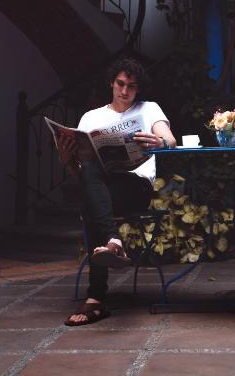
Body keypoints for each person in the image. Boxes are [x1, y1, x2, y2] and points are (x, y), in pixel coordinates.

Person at [58, 57, 176, 326]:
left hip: (135, 187)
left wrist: (160, 142)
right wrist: (66, 161)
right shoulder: (91, 117)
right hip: (102, 188)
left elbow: (169, 138)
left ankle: (96, 298)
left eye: (131, 86)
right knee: (90, 177)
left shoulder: (148, 109)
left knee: (91, 203)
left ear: (138, 88)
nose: (125, 91)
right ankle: (113, 242)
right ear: (111, 83)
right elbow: (82, 177)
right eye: (120, 84)